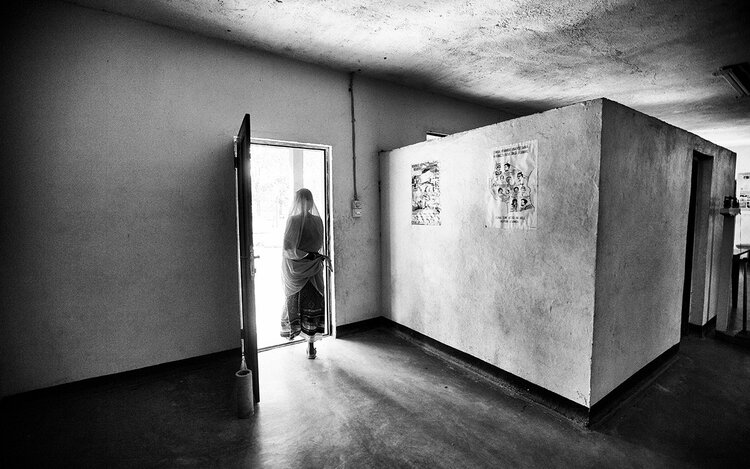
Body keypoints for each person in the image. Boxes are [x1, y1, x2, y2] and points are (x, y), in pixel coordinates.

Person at [279, 188, 328, 359]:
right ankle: (310, 345)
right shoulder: (316, 221)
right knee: (310, 303)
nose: (305, 204)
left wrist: (305, 256)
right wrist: (311, 256)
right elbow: (317, 245)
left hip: (301, 268)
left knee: (304, 302)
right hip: (311, 267)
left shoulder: (294, 220)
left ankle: (306, 341)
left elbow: (287, 248)